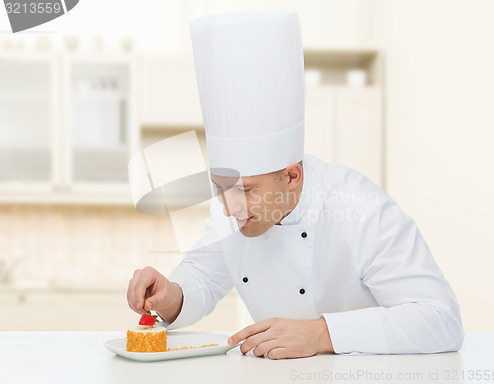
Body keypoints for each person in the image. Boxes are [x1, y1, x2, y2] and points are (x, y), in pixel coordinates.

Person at [127, 11, 464, 358]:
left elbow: (441, 320)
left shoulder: (360, 209)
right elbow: (203, 275)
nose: (229, 208)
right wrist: (172, 296)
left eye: (246, 190)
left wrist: (321, 334)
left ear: (291, 176)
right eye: (219, 188)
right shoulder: (229, 207)